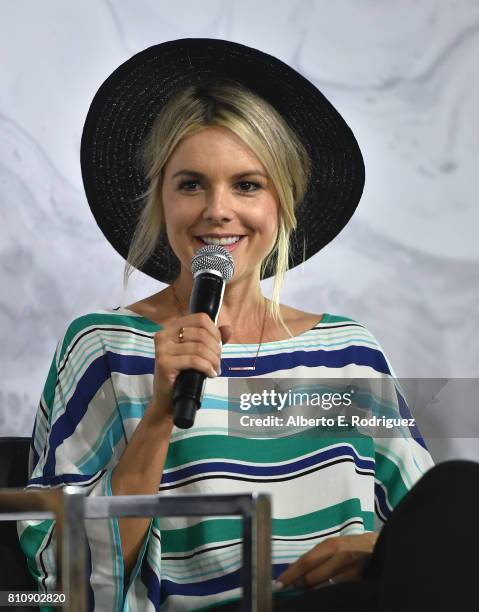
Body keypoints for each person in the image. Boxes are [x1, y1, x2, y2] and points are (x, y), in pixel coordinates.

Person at [17, 38, 476, 612]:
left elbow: (433, 533)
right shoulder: (104, 344)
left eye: (247, 185)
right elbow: (62, 583)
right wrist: (159, 416)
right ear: (162, 202)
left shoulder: (349, 351)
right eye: (191, 184)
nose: (217, 210)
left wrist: (375, 548)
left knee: (463, 493)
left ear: (281, 204)